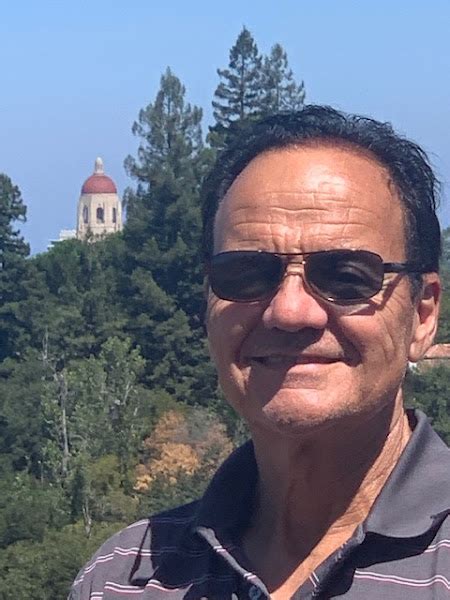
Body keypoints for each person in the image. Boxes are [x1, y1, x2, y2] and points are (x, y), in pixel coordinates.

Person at [69, 106, 450, 600]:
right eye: (247, 274)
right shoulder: (122, 579)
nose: (289, 311)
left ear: (422, 315)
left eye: (345, 276)